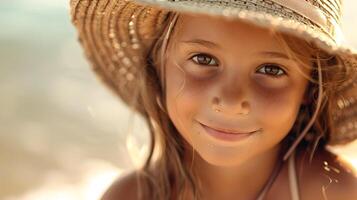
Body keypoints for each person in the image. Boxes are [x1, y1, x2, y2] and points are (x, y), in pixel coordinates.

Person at [70, 0, 357, 199]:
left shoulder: (335, 192)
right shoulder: (128, 197)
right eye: (204, 59)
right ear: (158, 64)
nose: (231, 101)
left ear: (311, 87)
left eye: (271, 69)